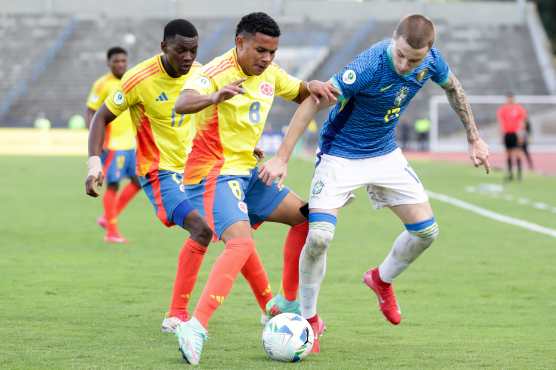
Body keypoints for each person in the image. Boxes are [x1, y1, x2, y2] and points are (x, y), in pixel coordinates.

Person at [259, 14, 490, 352]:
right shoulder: (368, 65)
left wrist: (474, 138)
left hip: (384, 154)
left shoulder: (432, 63)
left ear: (429, 52)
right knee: (320, 236)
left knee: (427, 232)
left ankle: (381, 279)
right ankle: (309, 319)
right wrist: (281, 157)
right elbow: (313, 100)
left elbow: (454, 88)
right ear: (393, 40)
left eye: (414, 59)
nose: (405, 64)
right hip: (340, 154)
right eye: (400, 54)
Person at [173, 12, 337, 365]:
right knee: (241, 243)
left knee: (309, 219)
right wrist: (214, 97)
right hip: (212, 175)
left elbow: (300, 92)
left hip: (248, 172)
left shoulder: (270, 75)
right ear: (240, 42)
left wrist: (316, 86)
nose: (266, 59)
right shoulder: (214, 73)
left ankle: (285, 303)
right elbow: (182, 103)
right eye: (260, 50)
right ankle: (194, 326)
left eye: (272, 52)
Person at [85, 19, 220, 335]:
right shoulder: (138, 79)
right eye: (181, 50)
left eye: (193, 50)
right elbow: (101, 117)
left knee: (233, 231)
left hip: (193, 169)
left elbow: (213, 114)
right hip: (158, 172)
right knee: (201, 231)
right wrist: (94, 163)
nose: (188, 57)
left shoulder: (199, 75)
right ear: (164, 47)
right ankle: (175, 316)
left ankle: (276, 305)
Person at [85, 47, 141, 243]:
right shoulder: (102, 84)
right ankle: (111, 232)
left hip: (131, 145)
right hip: (112, 145)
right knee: (113, 185)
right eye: (116, 61)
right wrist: (95, 140)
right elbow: (91, 111)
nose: (120, 64)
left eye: (123, 61)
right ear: (108, 63)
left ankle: (108, 217)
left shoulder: (131, 81)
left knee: (138, 182)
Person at [497, 92, 527, 181]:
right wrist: (501, 135)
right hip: (507, 134)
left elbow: (523, 122)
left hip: (516, 134)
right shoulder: (502, 109)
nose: (510, 100)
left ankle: (519, 174)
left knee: (518, 153)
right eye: (508, 98)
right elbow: (501, 123)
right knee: (508, 154)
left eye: (511, 98)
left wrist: (521, 134)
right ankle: (510, 174)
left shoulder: (519, 109)